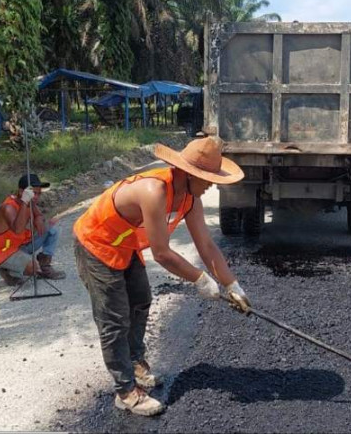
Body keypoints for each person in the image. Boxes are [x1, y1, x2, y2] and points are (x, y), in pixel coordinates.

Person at [73, 136, 251, 417]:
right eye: (206, 178)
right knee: (114, 319)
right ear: (187, 173)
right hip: (96, 243)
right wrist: (201, 280)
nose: (211, 184)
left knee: (141, 299)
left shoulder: (190, 199)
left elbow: (206, 245)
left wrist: (232, 285)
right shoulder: (153, 190)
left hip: (126, 243)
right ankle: (126, 392)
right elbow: (162, 253)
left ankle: (134, 361)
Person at [0, 174, 66, 285]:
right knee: (33, 268)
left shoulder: (31, 202)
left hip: (22, 244)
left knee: (52, 230)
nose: (36, 197)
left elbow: (39, 216)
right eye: (34, 193)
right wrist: (24, 202)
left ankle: (45, 267)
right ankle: (10, 272)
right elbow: (18, 229)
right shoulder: (8, 207)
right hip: (6, 251)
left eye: (39, 193)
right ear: (21, 192)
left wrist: (39, 218)